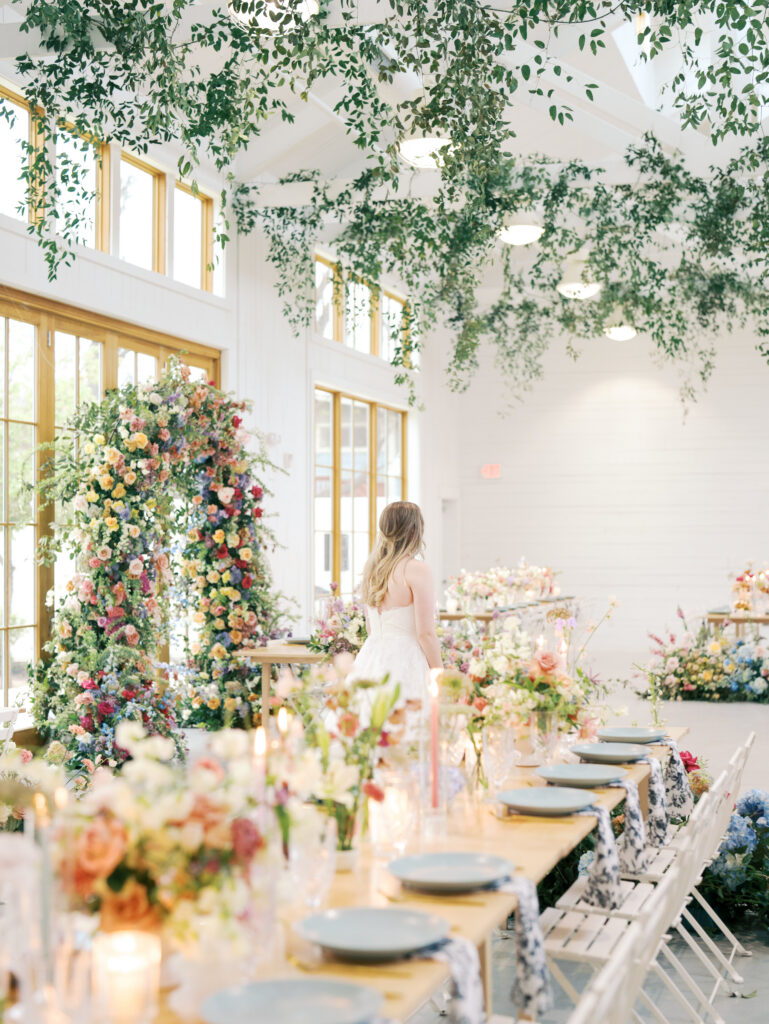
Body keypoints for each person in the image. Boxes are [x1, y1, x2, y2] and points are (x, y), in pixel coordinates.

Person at [348, 501, 443, 707]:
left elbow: (370, 628)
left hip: (370, 659)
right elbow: (425, 634)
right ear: (413, 531)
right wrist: (440, 676)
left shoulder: (372, 570)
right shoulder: (417, 569)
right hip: (406, 661)